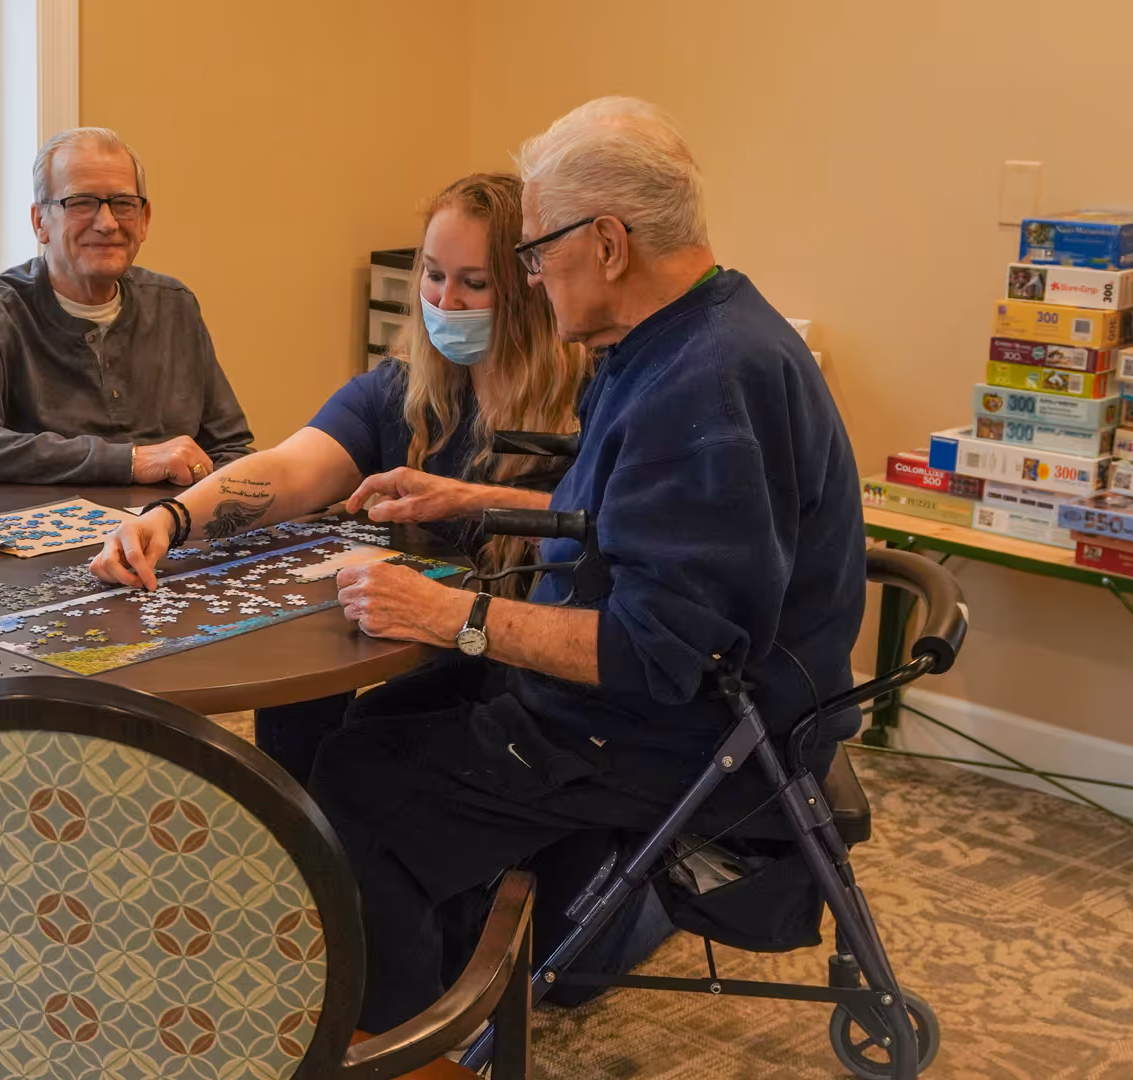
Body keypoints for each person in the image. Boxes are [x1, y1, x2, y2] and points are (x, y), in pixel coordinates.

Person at [111, 97, 869, 1076]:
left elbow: (665, 652)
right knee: (360, 731)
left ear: (606, 244)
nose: (527, 276)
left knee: (362, 795)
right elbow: (630, 520)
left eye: (534, 252)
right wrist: (471, 494)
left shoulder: (702, 386)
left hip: (669, 730)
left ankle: (407, 1049)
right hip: (651, 703)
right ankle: (428, 977)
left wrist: (449, 613)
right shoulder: (693, 334)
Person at [93, 173, 587, 785]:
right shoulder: (402, 390)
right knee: (307, 709)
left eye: (474, 283)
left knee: (362, 754)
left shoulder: (590, 400)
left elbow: (596, 532)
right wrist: (170, 519)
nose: (446, 301)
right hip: (429, 654)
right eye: (432, 274)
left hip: (530, 681)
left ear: (528, 289)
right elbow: (290, 468)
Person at [0, 126, 255, 485]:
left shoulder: (174, 305)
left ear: (144, 220)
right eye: (81, 203)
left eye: (123, 204)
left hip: (169, 528)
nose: (107, 223)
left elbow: (231, 448)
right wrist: (129, 461)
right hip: (50, 532)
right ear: (41, 222)